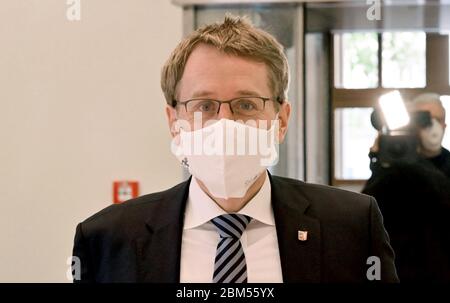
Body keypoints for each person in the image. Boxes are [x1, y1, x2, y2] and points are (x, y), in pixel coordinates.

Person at [72, 15, 398, 283]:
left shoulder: (351, 227)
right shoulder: (107, 240)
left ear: (281, 119)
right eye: (205, 105)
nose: (225, 123)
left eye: (245, 104)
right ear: (174, 121)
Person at [363, 93, 450, 282]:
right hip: (397, 268)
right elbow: (369, 210)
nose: (432, 125)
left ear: (445, 124)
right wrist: (380, 163)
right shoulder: (391, 164)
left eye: (439, 119)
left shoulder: (446, 164)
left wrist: (413, 161)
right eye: (424, 119)